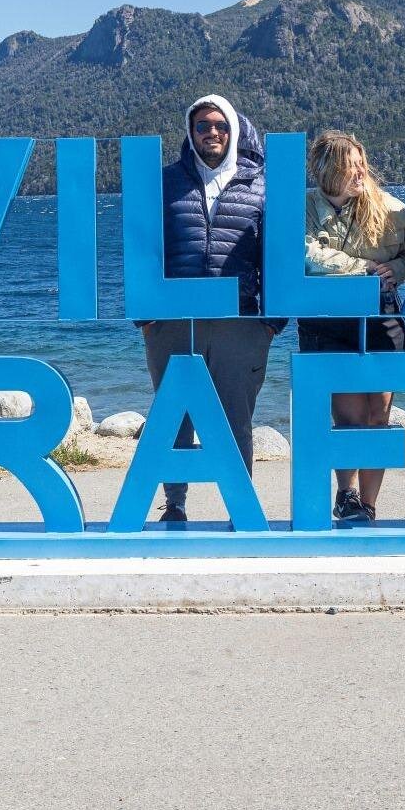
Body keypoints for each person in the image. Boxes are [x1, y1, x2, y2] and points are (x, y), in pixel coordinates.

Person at [139, 94, 284, 524]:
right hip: (172, 321)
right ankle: (174, 504)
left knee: (236, 418)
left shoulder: (261, 186)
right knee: (173, 415)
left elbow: (277, 255)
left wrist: (272, 322)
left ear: (234, 131)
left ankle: (241, 508)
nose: (212, 133)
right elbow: (142, 247)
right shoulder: (166, 182)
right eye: (202, 126)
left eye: (220, 125)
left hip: (240, 321)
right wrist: (145, 318)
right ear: (191, 132)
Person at [299, 130, 405, 522]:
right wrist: (363, 268)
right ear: (325, 170)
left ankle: (368, 505)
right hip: (328, 317)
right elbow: (306, 253)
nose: (359, 172)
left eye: (361, 164)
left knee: (378, 414)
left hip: (381, 315)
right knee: (349, 415)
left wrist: (398, 269)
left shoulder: (388, 208)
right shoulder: (304, 207)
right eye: (349, 166)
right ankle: (347, 493)